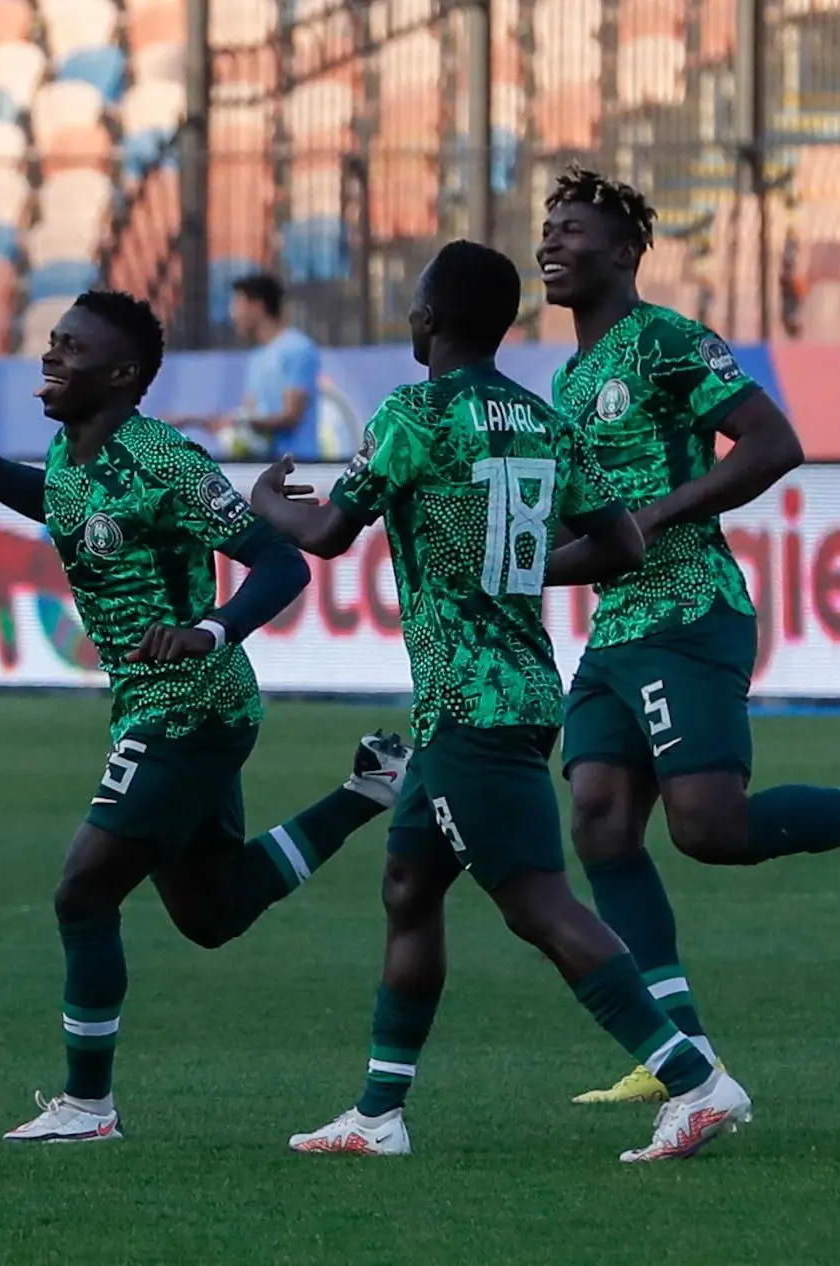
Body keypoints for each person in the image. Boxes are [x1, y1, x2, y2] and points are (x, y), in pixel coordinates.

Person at [0, 289, 412, 1143]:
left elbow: (280, 564)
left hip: (189, 709)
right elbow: (53, 498)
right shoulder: (75, 451)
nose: (50, 357)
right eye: (51, 341)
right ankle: (368, 789)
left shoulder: (166, 461)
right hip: (155, 708)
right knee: (212, 913)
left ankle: (88, 1106)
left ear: (120, 375)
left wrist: (209, 629)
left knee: (83, 893)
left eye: (69, 348)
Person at [250, 239, 753, 1164]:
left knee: (538, 905)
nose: (409, 318)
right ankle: (379, 1113)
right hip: (503, 692)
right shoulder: (537, 419)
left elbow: (325, 533)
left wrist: (266, 503)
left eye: (413, 305)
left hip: (474, 706)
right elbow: (624, 546)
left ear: (433, 320)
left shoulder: (414, 413)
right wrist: (517, 576)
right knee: (410, 886)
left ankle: (695, 1083)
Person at [537, 163, 840, 1105]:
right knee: (598, 818)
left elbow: (773, 442)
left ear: (628, 250)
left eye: (574, 228)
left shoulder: (666, 340)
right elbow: (591, 533)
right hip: (618, 628)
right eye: (546, 226)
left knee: (711, 829)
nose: (550, 241)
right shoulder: (569, 375)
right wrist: (514, 564)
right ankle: (683, 1056)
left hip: (689, 613)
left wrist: (661, 515)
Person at [187, 272, 321, 460]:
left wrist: (239, 421)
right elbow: (250, 412)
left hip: (298, 468)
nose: (232, 314)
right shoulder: (257, 358)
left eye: (237, 304)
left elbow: (291, 415)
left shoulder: (297, 348)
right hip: (264, 469)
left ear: (257, 306)